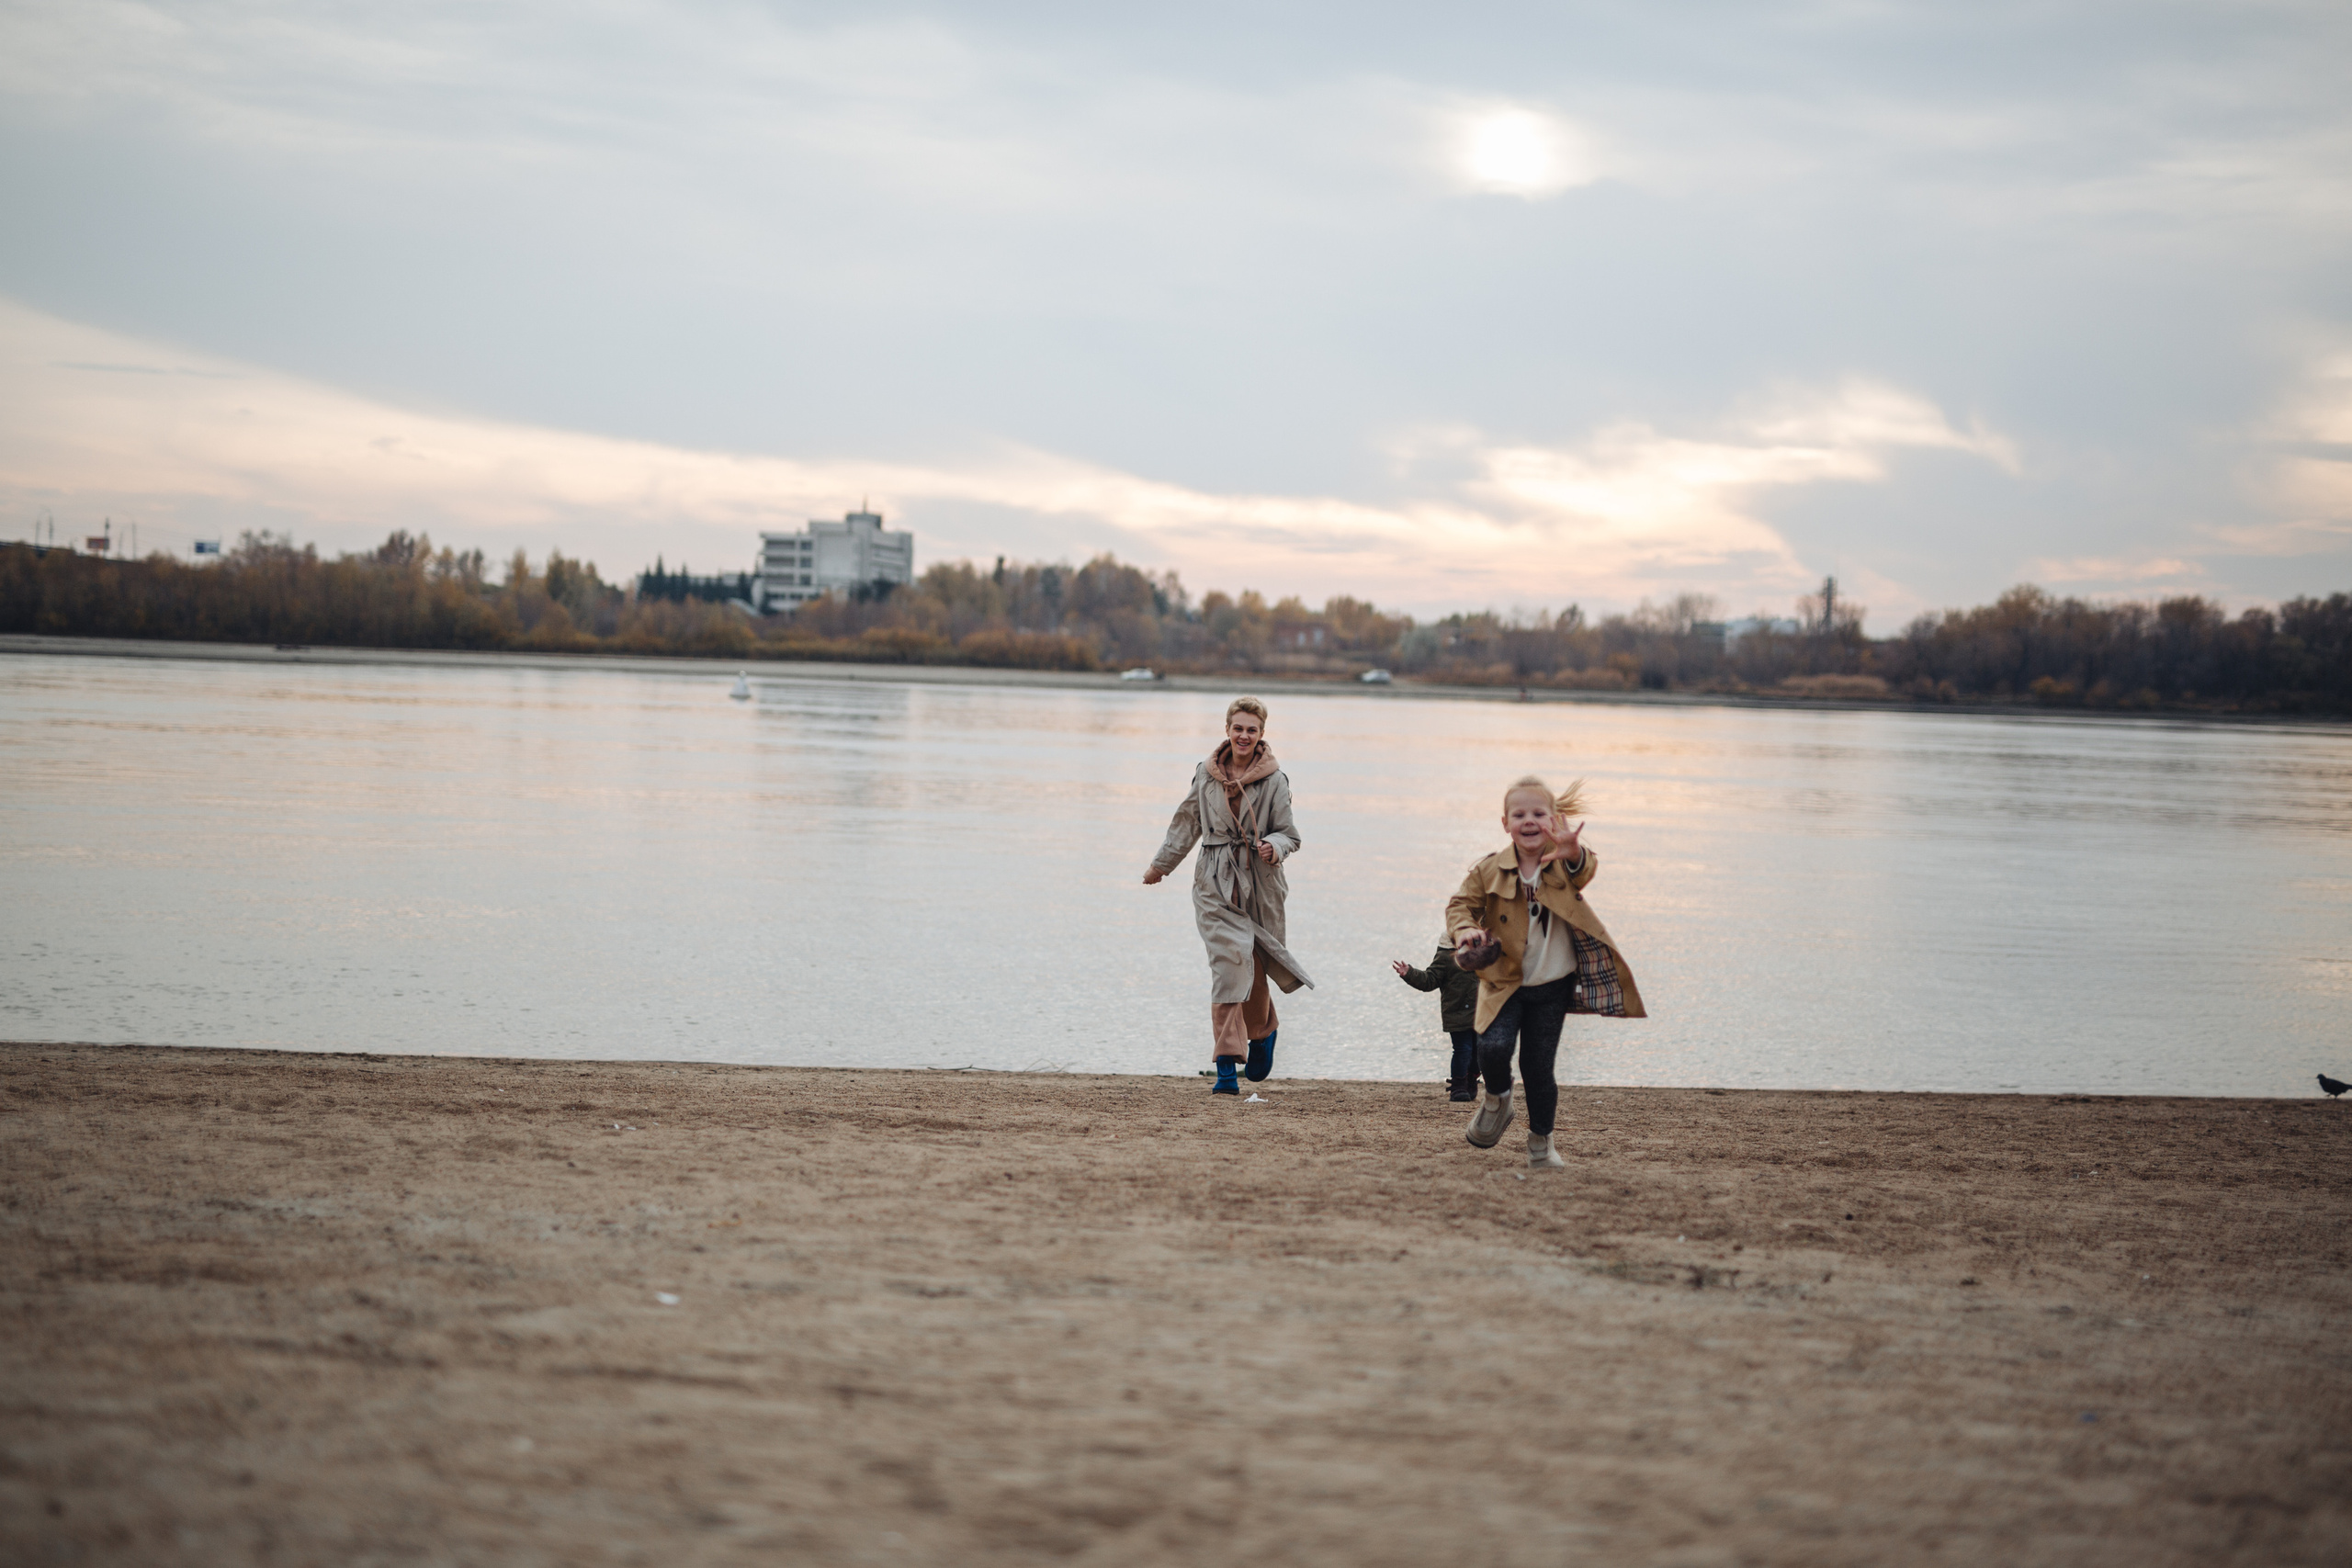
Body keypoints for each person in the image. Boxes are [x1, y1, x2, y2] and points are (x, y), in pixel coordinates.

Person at [1446, 775, 1645, 1167]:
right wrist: (1466, 929)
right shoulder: (1489, 869)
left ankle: (1541, 1145)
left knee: (1538, 1070)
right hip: (1504, 980)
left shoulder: (1562, 866)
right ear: (1505, 823)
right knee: (1492, 1047)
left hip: (1552, 986)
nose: (1529, 820)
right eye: (1519, 814)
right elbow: (1459, 905)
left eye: (1539, 813)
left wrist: (1573, 852)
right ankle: (1498, 1100)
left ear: (1553, 820)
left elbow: (1583, 869)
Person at [1145, 697, 1311, 1095]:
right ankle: (1225, 1065)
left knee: (1250, 964)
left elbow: (1291, 834)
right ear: (1227, 730)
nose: (1243, 735)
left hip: (1260, 882)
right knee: (1228, 965)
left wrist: (1274, 846)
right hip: (1214, 881)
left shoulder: (1275, 781)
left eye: (1251, 729)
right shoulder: (1206, 774)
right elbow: (1187, 822)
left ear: (1261, 735)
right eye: (1238, 728)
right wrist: (1161, 865)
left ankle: (1264, 1031)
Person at [1392, 942, 1481, 1101]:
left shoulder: (1485, 951)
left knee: (1480, 1052)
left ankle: (1471, 1079)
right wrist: (1410, 973)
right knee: (1463, 1049)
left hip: (1483, 1013)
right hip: (1457, 1013)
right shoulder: (1446, 955)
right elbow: (1429, 980)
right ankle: (1458, 1087)